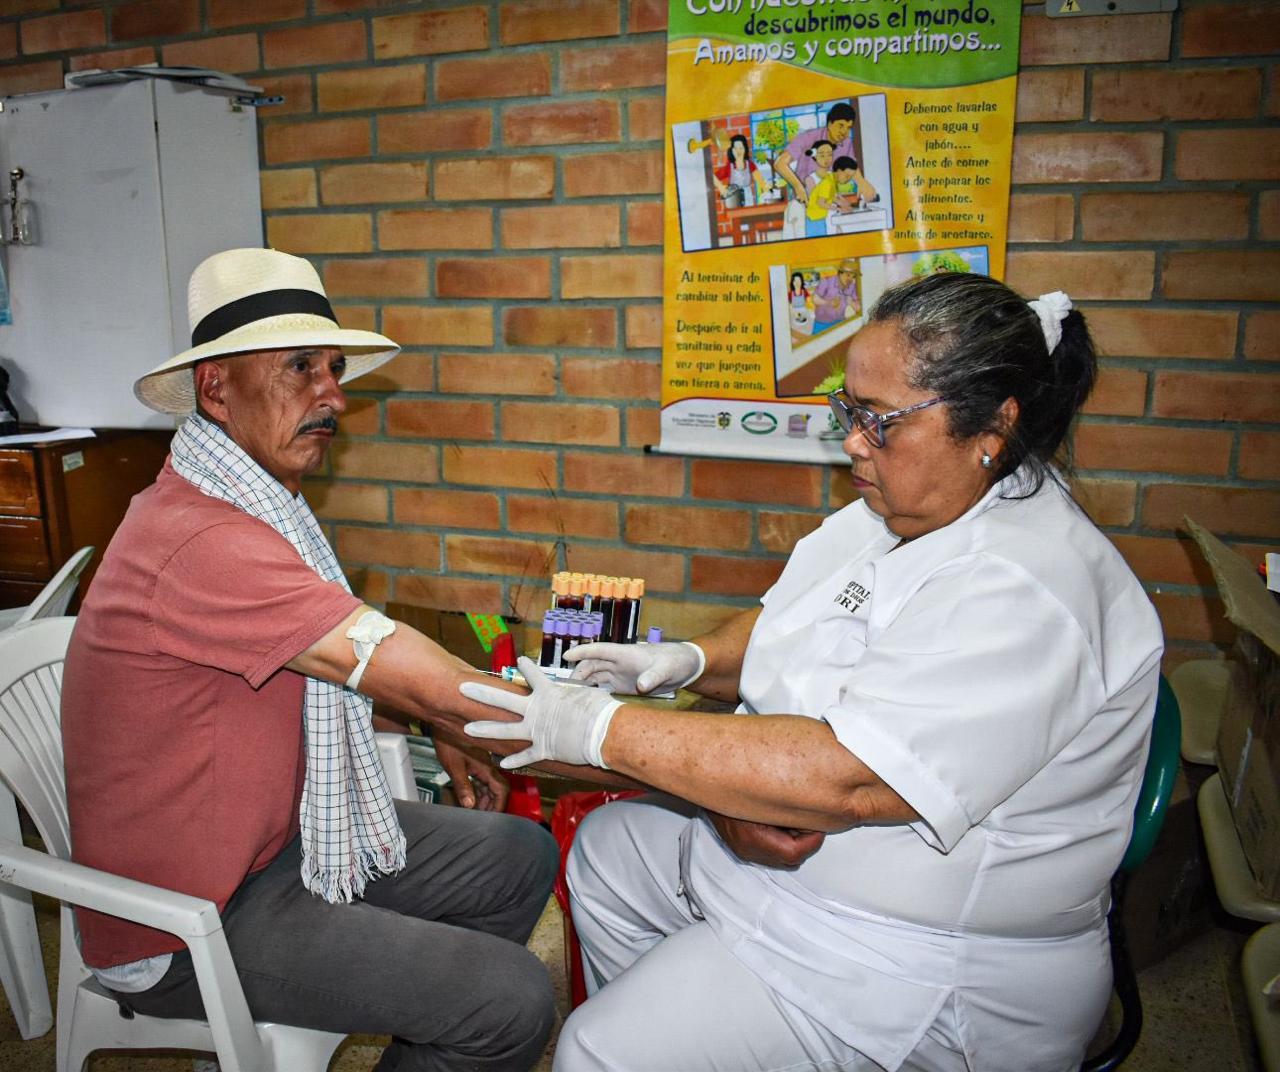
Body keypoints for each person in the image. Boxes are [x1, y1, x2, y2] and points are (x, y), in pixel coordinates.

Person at [458, 272, 1165, 1072]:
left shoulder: (1032, 588)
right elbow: (792, 622)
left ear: (993, 426)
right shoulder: (896, 510)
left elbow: (844, 781)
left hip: (911, 961)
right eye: (847, 410)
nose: (853, 442)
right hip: (803, 882)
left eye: (878, 420)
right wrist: (686, 660)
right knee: (610, 848)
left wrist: (599, 729)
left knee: (599, 1051)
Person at [61, 247, 565, 1072]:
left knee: (518, 857)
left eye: (333, 368)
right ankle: (455, 1017)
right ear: (215, 389)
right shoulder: (203, 538)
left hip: (274, 845)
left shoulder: (248, 503)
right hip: (187, 917)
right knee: (512, 998)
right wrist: (598, 735)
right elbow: (379, 654)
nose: (333, 395)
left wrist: (444, 724)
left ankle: (432, 1022)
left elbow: (331, 656)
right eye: (300, 367)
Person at [775, 101, 856, 203]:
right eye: (840, 126)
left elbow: (853, 169)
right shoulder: (807, 138)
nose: (844, 132)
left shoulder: (847, 143)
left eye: (848, 128)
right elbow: (780, 164)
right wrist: (798, 187)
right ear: (830, 124)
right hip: (805, 202)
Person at [805, 153, 859, 238]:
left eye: (850, 177)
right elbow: (820, 203)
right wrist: (839, 209)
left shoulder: (831, 179)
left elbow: (832, 197)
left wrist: (845, 205)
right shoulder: (828, 183)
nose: (848, 179)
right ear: (839, 171)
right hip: (815, 219)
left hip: (819, 217)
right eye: (847, 176)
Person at [712, 133, 767, 207]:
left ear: (745, 149)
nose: (738, 151)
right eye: (735, 148)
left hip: (748, 197)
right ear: (731, 150)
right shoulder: (729, 167)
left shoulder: (750, 164)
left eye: (741, 148)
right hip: (734, 199)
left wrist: (766, 191)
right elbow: (713, 177)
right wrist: (721, 187)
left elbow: (760, 180)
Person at [811, 257, 862, 333]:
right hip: (822, 323)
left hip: (840, 322)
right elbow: (815, 299)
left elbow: (857, 308)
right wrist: (829, 303)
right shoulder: (826, 281)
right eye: (848, 275)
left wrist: (851, 302)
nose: (850, 279)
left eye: (853, 276)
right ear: (840, 273)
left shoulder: (852, 286)